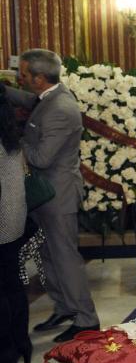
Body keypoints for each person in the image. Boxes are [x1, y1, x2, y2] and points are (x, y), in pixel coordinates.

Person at [6, 49, 99, 342]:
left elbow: (42, 157)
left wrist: (13, 143)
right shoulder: (49, 96)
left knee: (65, 258)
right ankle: (64, 307)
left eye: (22, 75)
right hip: (45, 197)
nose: (19, 79)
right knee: (47, 255)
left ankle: (86, 319)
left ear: (39, 78)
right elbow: (29, 101)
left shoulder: (60, 108)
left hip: (58, 197)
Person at [0, 84, 31, 363]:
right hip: (13, 219)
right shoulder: (9, 129)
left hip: (1, 219)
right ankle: (21, 343)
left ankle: (5, 349)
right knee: (12, 283)